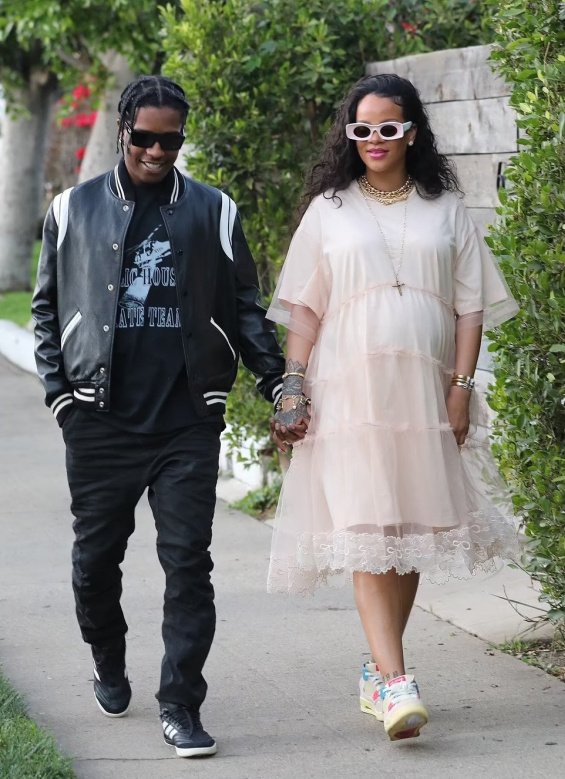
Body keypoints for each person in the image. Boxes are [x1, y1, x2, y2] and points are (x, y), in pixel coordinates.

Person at [32, 75, 284, 758]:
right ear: (122, 131)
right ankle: (109, 662)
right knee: (94, 564)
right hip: (99, 419)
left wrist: (277, 381)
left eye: (169, 140)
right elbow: (46, 310)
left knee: (187, 563)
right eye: (144, 137)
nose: (155, 151)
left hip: (185, 421)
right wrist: (61, 396)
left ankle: (180, 704)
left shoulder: (213, 211)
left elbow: (244, 309)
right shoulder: (72, 210)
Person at [267, 74, 519, 742]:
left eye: (386, 127)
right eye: (361, 129)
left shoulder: (446, 208)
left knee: (406, 530)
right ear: (348, 135)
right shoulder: (330, 209)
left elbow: (470, 307)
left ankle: (378, 672)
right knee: (367, 527)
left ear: (410, 132)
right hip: (349, 390)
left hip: (424, 394)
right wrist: (293, 384)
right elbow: (304, 308)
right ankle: (396, 679)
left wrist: (460, 386)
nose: (373, 140)